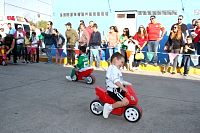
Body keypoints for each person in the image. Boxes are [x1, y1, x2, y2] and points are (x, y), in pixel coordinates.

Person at [103, 52, 131, 119]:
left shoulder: (116, 69)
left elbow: (119, 80)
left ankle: (117, 107)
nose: (122, 64)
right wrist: (123, 87)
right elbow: (115, 81)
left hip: (118, 89)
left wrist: (126, 83)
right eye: (121, 62)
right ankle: (109, 107)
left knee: (128, 97)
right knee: (125, 102)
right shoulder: (113, 69)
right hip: (114, 90)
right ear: (116, 59)